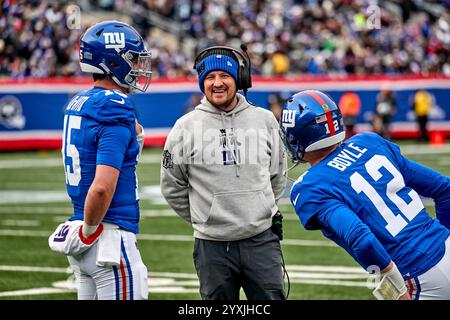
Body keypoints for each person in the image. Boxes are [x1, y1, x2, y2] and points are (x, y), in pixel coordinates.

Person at [280, 89, 450, 300]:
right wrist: (442, 236)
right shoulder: (369, 141)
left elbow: (362, 239)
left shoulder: (308, 187)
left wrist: (397, 290)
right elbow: (444, 189)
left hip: (417, 275)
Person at [160, 45, 287, 300]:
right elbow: (171, 185)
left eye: (224, 76)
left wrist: (258, 209)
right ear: (201, 83)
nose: (217, 83)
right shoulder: (184, 127)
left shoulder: (264, 120)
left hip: (261, 241)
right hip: (212, 247)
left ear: (238, 80)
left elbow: (278, 174)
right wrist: (206, 218)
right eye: (209, 77)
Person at [48, 20, 152, 300]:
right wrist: (89, 231)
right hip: (107, 237)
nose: (138, 67)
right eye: (133, 59)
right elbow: (103, 186)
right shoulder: (113, 107)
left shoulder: (82, 102)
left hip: (85, 236)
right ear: (113, 62)